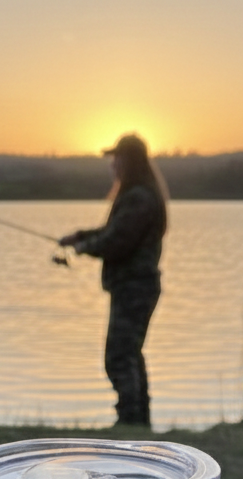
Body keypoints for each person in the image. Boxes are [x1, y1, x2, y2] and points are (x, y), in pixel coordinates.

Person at [59, 133, 167, 426]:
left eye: (116, 158)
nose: (112, 165)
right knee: (130, 354)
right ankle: (139, 422)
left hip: (135, 287)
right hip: (133, 286)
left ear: (128, 161)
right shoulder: (139, 194)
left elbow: (118, 240)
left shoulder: (139, 197)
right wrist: (80, 237)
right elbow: (112, 232)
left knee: (119, 356)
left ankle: (130, 421)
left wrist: (83, 247)